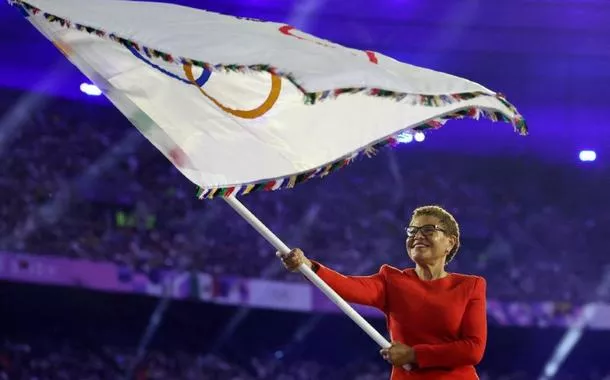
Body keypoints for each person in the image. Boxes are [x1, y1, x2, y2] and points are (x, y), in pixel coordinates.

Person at [280, 205, 487, 380]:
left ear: (450, 242)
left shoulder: (470, 286)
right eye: (412, 231)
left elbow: (473, 349)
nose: (417, 236)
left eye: (428, 230)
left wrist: (414, 355)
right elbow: (346, 286)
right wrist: (307, 266)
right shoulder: (392, 281)